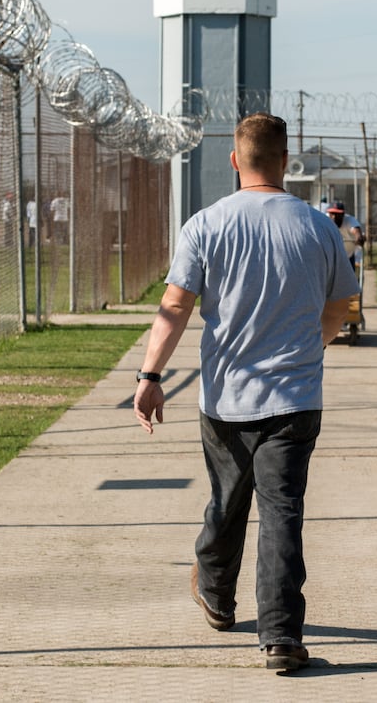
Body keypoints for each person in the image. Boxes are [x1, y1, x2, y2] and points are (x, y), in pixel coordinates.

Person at [133, 113, 359, 673]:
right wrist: (314, 343)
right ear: (286, 161)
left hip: (227, 397)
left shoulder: (206, 225)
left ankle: (215, 588)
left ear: (235, 160)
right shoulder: (317, 227)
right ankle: (280, 637)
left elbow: (176, 308)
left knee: (227, 503)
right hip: (296, 397)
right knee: (283, 513)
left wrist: (150, 377)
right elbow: (342, 307)